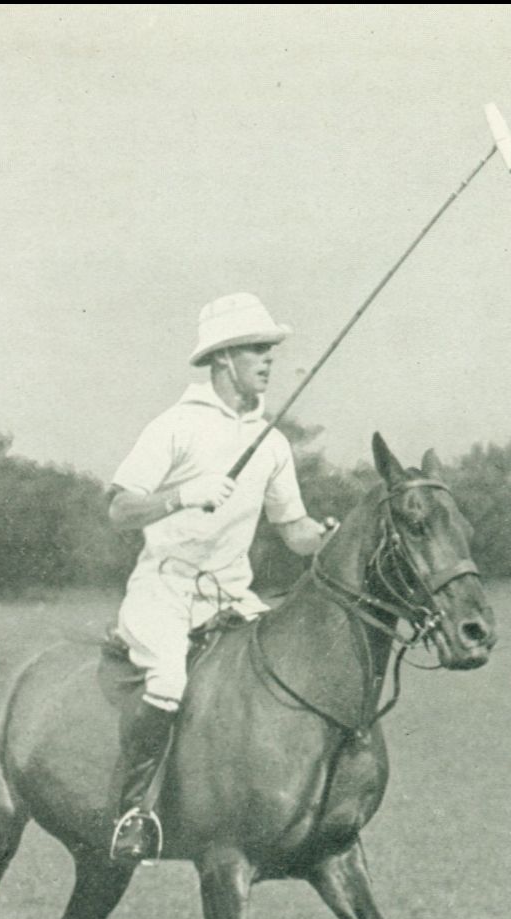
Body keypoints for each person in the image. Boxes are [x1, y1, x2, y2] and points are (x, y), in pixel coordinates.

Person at [107, 292, 333, 860]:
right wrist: (184, 494)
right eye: (258, 348)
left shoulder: (272, 440)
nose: (269, 359)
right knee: (168, 682)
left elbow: (295, 528)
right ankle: (135, 813)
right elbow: (119, 510)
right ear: (224, 358)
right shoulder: (175, 427)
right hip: (164, 588)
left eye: (270, 349)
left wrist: (330, 539)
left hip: (233, 594)